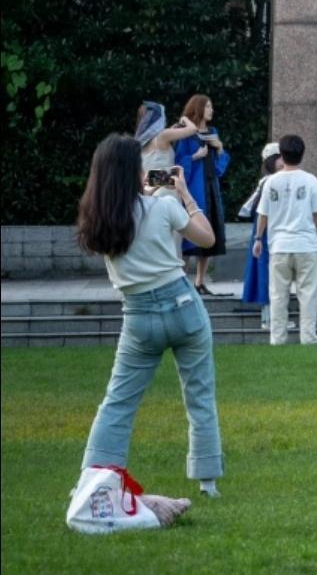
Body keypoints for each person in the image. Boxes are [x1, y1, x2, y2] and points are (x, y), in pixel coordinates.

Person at [69, 135, 223, 530]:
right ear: (133, 171)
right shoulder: (164, 206)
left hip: (138, 315)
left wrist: (150, 195)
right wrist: (184, 194)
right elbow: (207, 238)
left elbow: (134, 218)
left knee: (117, 402)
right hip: (183, 305)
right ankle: (207, 481)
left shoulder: (98, 220)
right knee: (199, 395)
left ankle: (93, 478)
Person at [253, 134, 317, 346]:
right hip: (307, 245)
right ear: (302, 154)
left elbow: (263, 214)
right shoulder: (310, 180)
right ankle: (308, 338)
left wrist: (258, 238)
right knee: (308, 294)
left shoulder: (270, 182)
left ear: (281, 154)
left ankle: (277, 339)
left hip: (279, 246)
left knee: (278, 295)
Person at [172, 95, 229, 296]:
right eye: (208, 106)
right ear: (198, 108)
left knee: (209, 232)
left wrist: (220, 148)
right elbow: (178, 163)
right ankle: (180, 282)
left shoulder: (212, 133)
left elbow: (219, 168)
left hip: (211, 187)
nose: (211, 110)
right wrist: (196, 156)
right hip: (194, 190)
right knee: (189, 237)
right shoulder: (186, 134)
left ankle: (199, 281)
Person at [239, 142, 282, 330]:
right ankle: (269, 319)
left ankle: (270, 318)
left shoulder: (268, 181)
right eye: (280, 157)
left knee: (271, 273)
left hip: (268, 232)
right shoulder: (269, 182)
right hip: (266, 233)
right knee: (267, 273)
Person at [133, 102, 199, 177]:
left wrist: (171, 130)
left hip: (148, 183)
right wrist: (184, 118)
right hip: (164, 184)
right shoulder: (163, 135)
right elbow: (193, 129)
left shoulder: (139, 142)